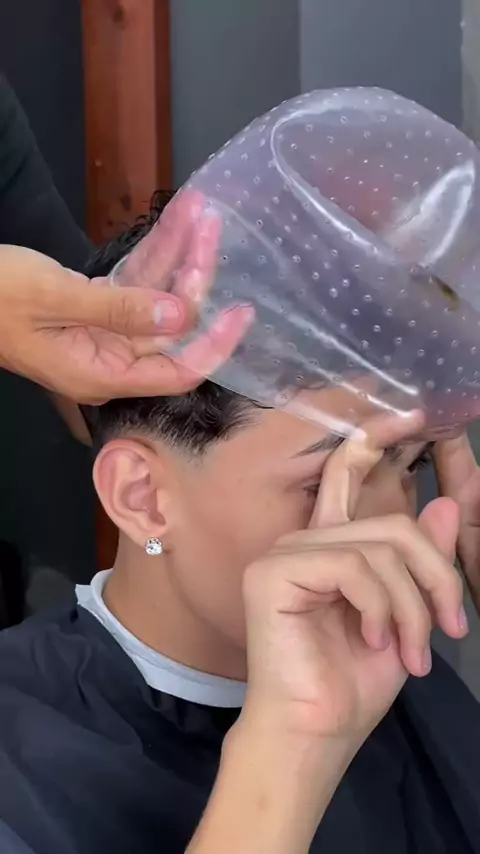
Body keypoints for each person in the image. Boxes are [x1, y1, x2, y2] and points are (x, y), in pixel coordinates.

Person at [1, 195, 480, 854]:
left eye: (411, 465)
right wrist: (296, 745)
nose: (393, 527)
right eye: (322, 482)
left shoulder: (412, 684)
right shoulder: (20, 771)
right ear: (142, 497)